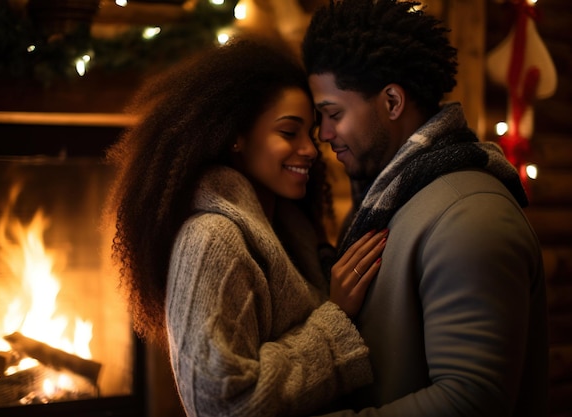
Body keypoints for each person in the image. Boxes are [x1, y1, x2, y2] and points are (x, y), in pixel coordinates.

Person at [104, 37, 387, 417]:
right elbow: (219, 406)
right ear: (236, 136)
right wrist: (334, 317)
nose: (310, 148)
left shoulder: (289, 230)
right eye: (289, 132)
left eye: (311, 132)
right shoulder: (210, 240)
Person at [301, 1, 549, 416]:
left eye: (333, 114)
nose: (324, 134)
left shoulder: (470, 217)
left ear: (393, 101)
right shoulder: (383, 203)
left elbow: (471, 400)